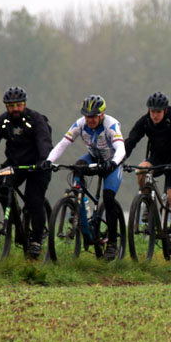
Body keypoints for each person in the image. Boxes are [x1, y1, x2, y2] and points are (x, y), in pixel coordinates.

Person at [0, 87, 53, 259]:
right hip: (15, 164)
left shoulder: (35, 119)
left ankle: (36, 240)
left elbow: (44, 142)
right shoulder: (4, 121)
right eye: (11, 106)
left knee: (33, 199)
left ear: (24, 104)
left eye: (18, 105)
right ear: (6, 107)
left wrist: (44, 161)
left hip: (38, 165)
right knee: (1, 183)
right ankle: (13, 220)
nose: (15, 109)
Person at [43, 94, 125, 260]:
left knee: (108, 198)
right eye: (87, 116)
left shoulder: (111, 125)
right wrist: (49, 161)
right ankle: (80, 207)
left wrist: (113, 163)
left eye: (94, 117)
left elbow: (121, 149)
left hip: (112, 162)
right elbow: (63, 144)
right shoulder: (80, 124)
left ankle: (112, 243)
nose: (90, 120)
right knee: (77, 168)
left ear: (101, 115)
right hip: (93, 158)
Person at [124, 92, 171, 255]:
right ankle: (147, 201)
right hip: (157, 159)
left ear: (165, 110)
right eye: (152, 111)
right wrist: (119, 159)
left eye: (158, 112)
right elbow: (131, 140)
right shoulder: (145, 121)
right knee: (141, 169)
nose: (155, 115)